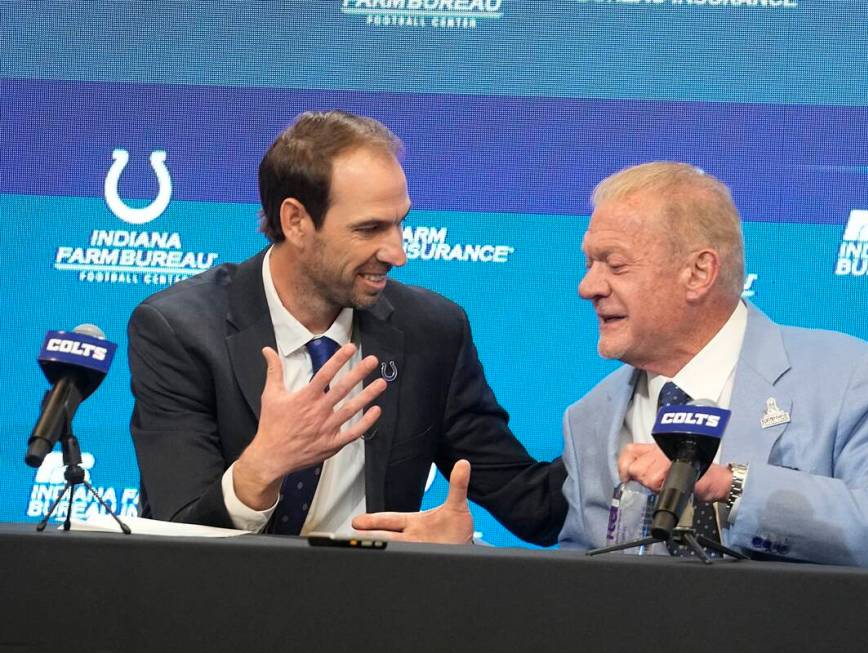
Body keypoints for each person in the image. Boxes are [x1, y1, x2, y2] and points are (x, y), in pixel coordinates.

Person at [128, 110, 565, 545]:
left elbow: (535, 508)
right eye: (370, 228)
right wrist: (261, 467)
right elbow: (175, 538)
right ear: (296, 221)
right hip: (224, 604)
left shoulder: (432, 331)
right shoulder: (180, 331)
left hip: (368, 605)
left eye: (400, 223)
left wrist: (627, 424)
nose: (397, 253)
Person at [558, 162, 868, 570]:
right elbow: (578, 579)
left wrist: (731, 485)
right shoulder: (588, 418)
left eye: (616, 265)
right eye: (590, 264)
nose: (589, 287)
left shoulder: (850, 379)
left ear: (698, 273)